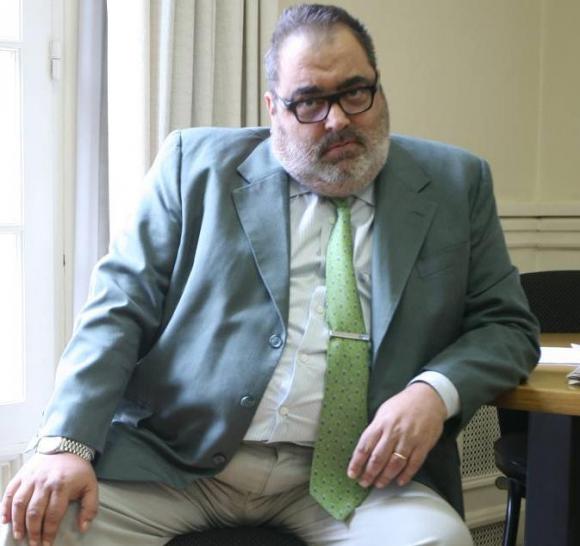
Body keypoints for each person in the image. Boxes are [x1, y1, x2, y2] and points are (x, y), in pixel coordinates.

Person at [0, 4, 539, 546]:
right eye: (309, 102)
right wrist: (65, 444)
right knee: (36, 528)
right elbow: (118, 307)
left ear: (379, 88)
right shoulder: (194, 166)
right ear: (273, 109)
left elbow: (507, 326)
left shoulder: (455, 183)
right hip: (179, 462)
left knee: (438, 541)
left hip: (358, 476)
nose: (338, 120)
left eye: (355, 92)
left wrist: (431, 393)